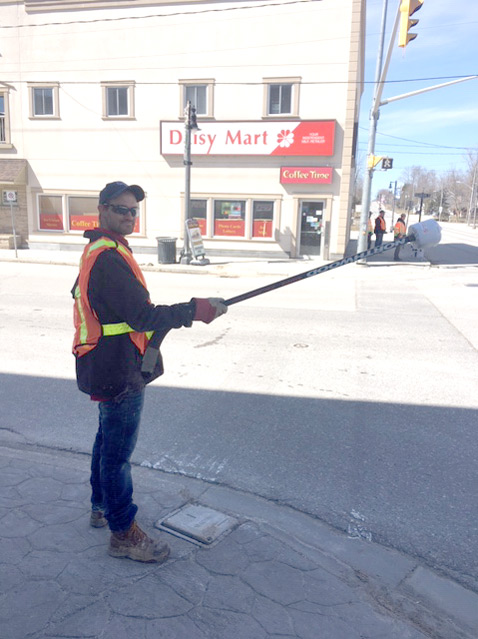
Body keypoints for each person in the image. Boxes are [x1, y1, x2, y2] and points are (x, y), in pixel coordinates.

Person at [72, 181, 228, 563]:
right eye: (121, 209)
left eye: (133, 211)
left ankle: (100, 506)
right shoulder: (108, 258)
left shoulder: (99, 249)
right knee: (117, 455)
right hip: (118, 369)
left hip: (105, 362)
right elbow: (143, 316)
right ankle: (123, 532)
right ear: (102, 209)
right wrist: (195, 310)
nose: (129, 216)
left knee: (106, 441)